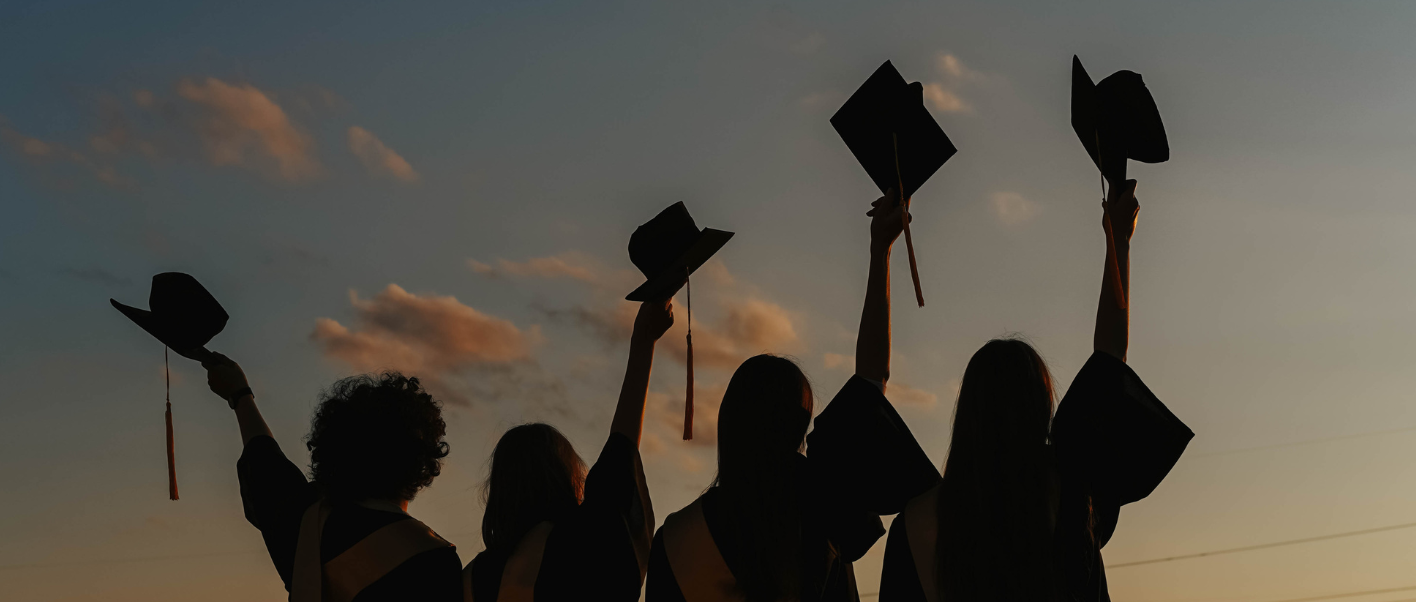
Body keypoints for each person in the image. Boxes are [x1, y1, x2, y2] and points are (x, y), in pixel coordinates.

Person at [874, 180, 1194, 601]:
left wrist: (880, 251)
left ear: (967, 412)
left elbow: (870, 381)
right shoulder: (1070, 490)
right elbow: (1109, 362)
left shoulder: (917, 521)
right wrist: (1118, 241)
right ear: (1042, 408)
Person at [644, 199, 941, 602]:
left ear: (728, 425)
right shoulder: (821, 492)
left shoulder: (677, 541)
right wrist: (880, 251)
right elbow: (872, 379)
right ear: (799, 426)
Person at [463, 299, 672, 602]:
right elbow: (620, 460)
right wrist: (643, 341)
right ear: (566, 478)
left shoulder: (471, 581)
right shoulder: (583, 548)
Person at [203, 357, 461, 601]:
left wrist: (240, 395)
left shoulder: (304, 521)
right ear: (420, 459)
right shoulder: (434, 559)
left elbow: (265, 464)